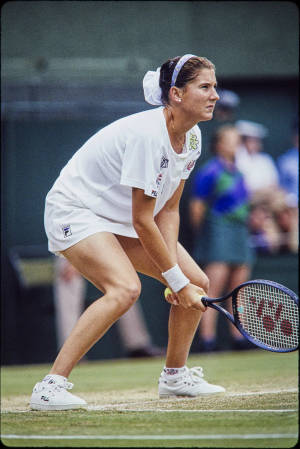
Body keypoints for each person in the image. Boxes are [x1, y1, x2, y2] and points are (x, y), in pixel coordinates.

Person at [30, 54, 225, 411]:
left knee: (197, 280)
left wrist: (179, 279)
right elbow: (142, 219)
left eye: (215, 87)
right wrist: (173, 281)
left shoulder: (193, 136)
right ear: (177, 94)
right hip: (76, 210)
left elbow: (168, 209)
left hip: (118, 218)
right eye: (205, 87)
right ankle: (50, 386)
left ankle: (174, 376)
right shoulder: (148, 137)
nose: (215, 95)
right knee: (124, 289)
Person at [189, 125, 254, 352]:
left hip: (239, 232)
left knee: (240, 288)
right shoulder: (209, 171)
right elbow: (196, 208)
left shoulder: (239, 172)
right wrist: (208, 235)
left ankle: (240, 337)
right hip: (217, 231)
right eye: (231, 139)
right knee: (212, 289)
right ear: (218, 144)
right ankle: (207, 339)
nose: (236, 144)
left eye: (238, 140)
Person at [54, 257, 164, 357]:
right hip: (72, 243)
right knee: (68, 277)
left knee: (127, 286)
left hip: (106, 243)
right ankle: (69, 351)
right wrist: (72, 260)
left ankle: (138, 346)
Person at [235, 120, 280, 197]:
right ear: (243, 141)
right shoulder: (237, 158)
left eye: (257, 141)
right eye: (251, 141)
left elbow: (274, 183)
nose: (254, 144)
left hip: (266, 198)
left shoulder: (265, 159)